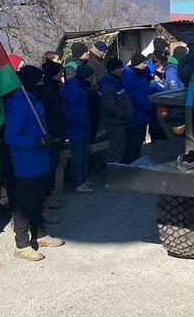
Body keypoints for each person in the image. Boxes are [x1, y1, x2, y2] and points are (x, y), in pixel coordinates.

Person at [4, 66, 64, 261]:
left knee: (39, 200)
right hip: (26, 164)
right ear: (29, 82)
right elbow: (10, 136)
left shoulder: (35, 101)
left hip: (40, 161)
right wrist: (34, 142)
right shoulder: (20, 104)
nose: (42, 84)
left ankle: (39, 233)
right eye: (39, 81)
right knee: (24, 204)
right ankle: (22, 244)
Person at [39, 60, 66, 222]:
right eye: (59, 73)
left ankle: (51, 194)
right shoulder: (47, 92)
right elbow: (49, 115)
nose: (61, 76)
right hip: (52, 134)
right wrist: (54, 133)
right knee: (50, 167)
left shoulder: (54, 88)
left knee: (54, 165)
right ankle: (47, 198)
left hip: (58, 132)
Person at [62, 64, 94, 194]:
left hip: (82, 127)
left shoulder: (80, 88)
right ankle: (78, 182)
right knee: (78, 157)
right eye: (91, 76)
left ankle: (83, 178)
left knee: (85, 154)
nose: (92, 79)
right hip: (76, 129)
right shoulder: (75, 91)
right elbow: (71, 112)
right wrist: (81, 122)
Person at [98, 58, 134, 163]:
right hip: (115, 124)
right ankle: (113, 170)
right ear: (114, 69)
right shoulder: (108, 84)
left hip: (120, 123)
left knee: (120, 148)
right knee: (116, 150)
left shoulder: (117, 81)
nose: (122, 70)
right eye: (120, 68)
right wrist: (124, 114)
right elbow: (109, 105)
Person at [123, 54, 155, 163]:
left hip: (144, 113)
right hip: (136, 114)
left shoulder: (142, 74)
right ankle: (130, 162)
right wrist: (149, 106)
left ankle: (137, 160)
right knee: (134, 141)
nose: (145, 65)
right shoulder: (129, 77)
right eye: (143, 63)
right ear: (137, 64)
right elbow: (135, 97)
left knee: (140, 139)